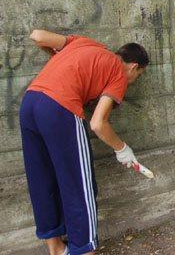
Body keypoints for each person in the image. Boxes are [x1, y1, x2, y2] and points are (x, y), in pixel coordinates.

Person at [20, 30, 149, 255]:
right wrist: (122, 149)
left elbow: (37, 36)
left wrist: (64, 63)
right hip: (59, 108)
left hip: (30, 104)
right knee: (79, 185)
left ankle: (57, 249)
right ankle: (84, 251)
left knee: (42, 180)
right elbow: (98, 123)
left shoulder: (86, 44)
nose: (133, 81)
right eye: (138, 76)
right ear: (133, 66)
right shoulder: (118, 73)